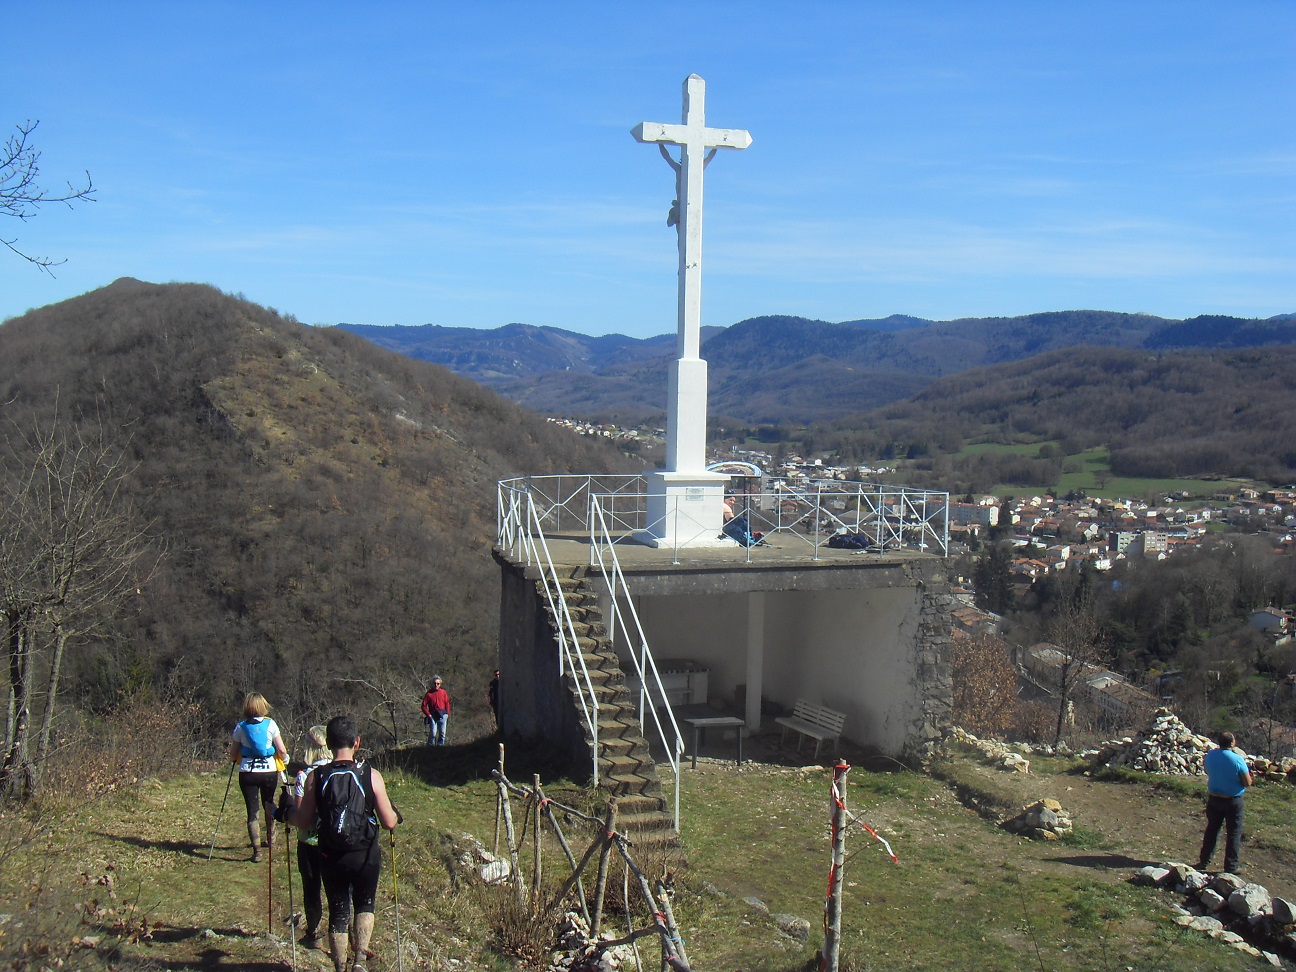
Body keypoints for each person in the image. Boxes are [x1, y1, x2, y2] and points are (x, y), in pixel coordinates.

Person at [282, 715, 399, 972]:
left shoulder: (317, 776)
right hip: (365, 854)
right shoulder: (371, 775)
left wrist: (286, 810)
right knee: (365, 903)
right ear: (357, 742)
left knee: (338, 909)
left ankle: (339, 966)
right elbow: (389, 821)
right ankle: (359, 961)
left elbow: (303, 821)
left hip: (331, 854)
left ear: (330, 743)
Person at [228, 691, 289, 863]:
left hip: (247, 772)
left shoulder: (240, 727)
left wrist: (236, 758)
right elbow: (282, 750)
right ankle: (271, 838)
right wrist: (285, 760)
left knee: (252, 811)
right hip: (269, 771)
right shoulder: (271, 725)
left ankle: (256, 851)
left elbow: (233, 754)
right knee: (268, 803)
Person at [292, 725, 333, 949]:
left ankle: (314, 930)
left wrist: (285, 809)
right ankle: (342, 934)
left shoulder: (304, 776)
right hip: (336, 842)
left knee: (312, 887)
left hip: (309, 843)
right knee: (338, 889)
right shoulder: (341, 772)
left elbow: (301, 818)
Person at [1196, 730, 1254, 874]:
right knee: (1234, 833)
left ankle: (1204, 861)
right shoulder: (1237, 759)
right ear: (1233, 743)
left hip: (1214, 798)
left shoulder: (1210, 756)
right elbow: (1247, 782)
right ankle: (1231, 866)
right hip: (1232, 800)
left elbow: (1209, 771)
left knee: (1212, 830)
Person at [421, 676, 451, 746]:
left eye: (438, 684)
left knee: (442, 732)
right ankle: (430, 747)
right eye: (435, 683)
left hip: (442, 714)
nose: (436, 685)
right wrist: (429, 715)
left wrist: (447, 714)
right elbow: (423, 706)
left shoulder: (443, 692)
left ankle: (440, 746)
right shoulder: (429, 694)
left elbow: (447, 703)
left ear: (440, 684)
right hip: (433, 715)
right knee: (433, 733)